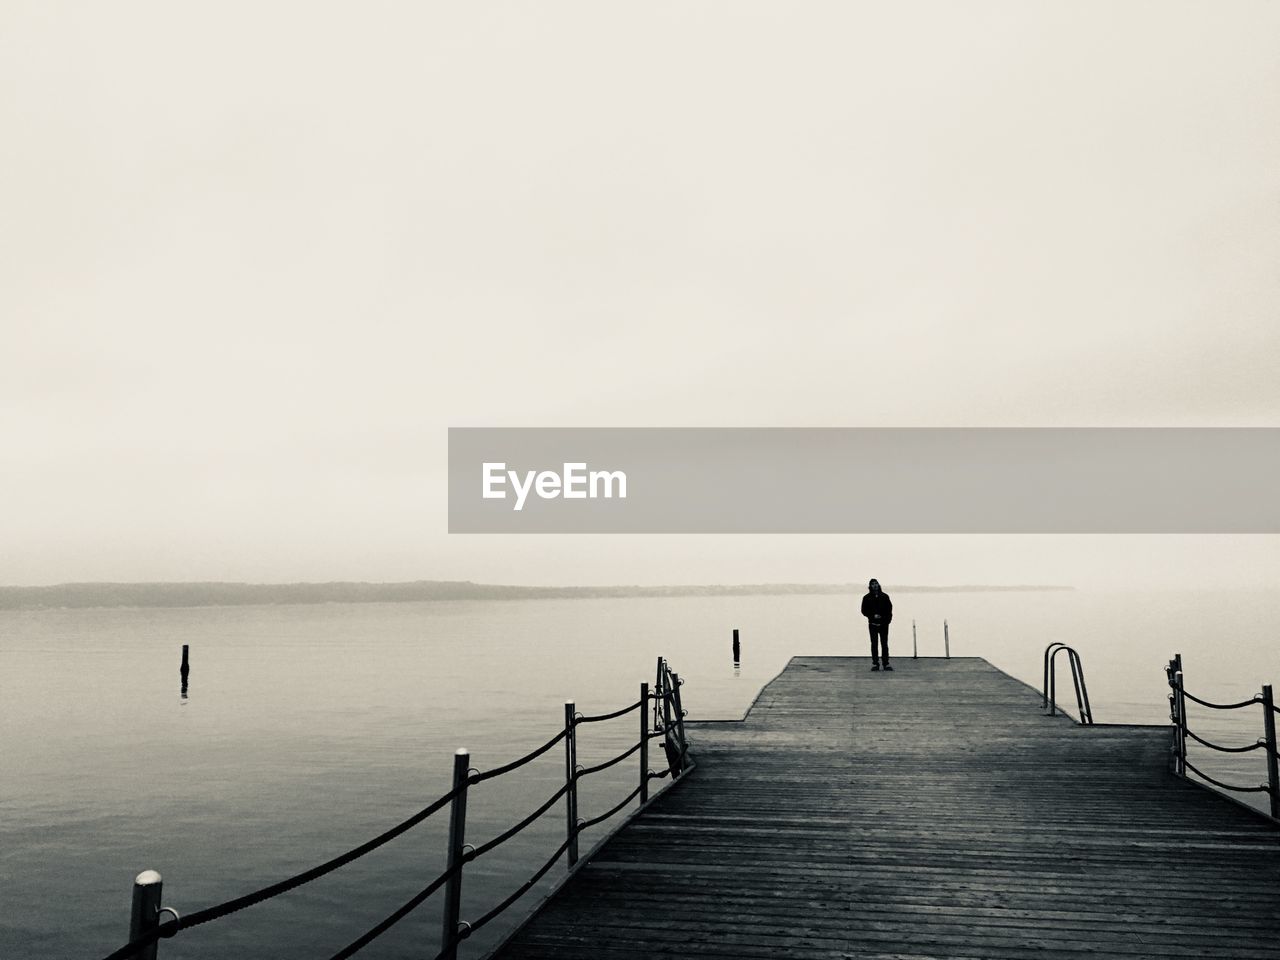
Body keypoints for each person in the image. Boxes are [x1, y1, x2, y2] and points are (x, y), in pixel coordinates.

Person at [860, 578, 893, 671]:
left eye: (876, 583)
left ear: (879, 585)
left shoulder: (885, 597)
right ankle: (875, 664)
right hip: (873, 624)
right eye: (873, 584)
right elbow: (864, 611)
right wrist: (872, 616)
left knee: (884, 644)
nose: (875, 585)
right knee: (874, 644)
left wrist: (886, 620)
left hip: (884, 625)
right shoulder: (866, 598)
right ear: (870, 586)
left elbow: (889, 610)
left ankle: (886, 663)